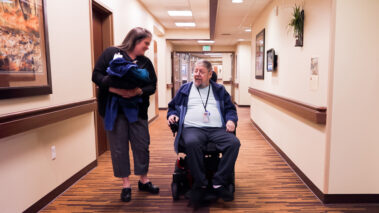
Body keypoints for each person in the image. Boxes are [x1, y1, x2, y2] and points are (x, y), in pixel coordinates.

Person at [92, 27, 159, 202]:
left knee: (142, 145)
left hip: (137, 111)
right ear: (136, 40)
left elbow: (152, 86)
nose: (147, 47)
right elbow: (96, 75)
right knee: (119, 148)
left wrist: (136, 92)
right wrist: (115, 88)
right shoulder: (111, 54)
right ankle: (126, 184)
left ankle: (144, 180)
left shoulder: (145, 62)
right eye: (146, 43)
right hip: (114, 111)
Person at [167, 60, 241, 205]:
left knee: (234, 143)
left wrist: (231, 120)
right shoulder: (184, 90)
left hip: (217, 129)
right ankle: (200, 184)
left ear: (209, 74)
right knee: (192, 142)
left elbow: (230, 109)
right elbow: (173, 107)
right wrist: (172, 115)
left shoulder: (219, 90)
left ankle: (218, 183)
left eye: (201, 72)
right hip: (192, 128)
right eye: (195, 71)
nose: (197, 74)